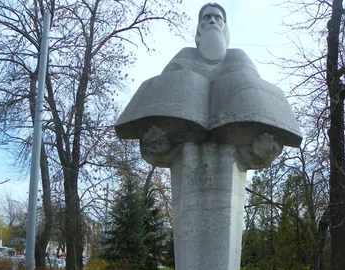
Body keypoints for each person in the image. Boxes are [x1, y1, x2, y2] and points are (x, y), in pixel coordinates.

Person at [115, 3, 301, 168]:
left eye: (217, 17)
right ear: (199, 26)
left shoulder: (238, 57)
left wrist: (261, 150)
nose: (212, 21)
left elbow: (256, 99)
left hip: (232, 149)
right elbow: (165, 95)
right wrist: (157, 144)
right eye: (207, 17)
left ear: (224, 26)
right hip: (186, 147)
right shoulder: (184, 56)